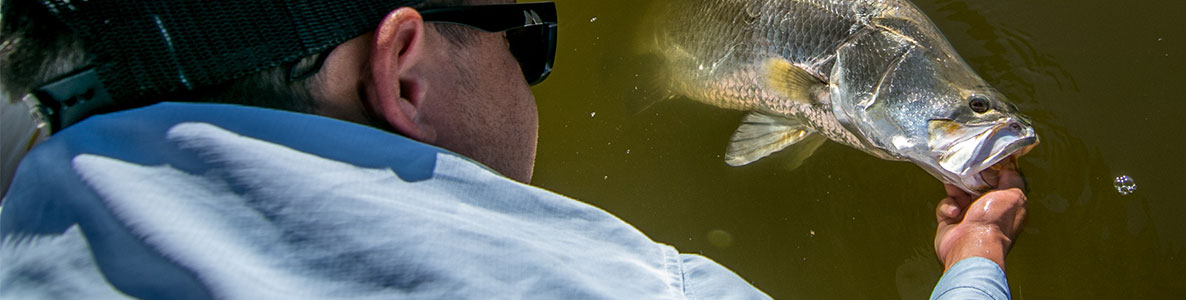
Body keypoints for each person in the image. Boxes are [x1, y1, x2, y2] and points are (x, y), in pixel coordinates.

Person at [0, 0, 1027, 299]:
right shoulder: (605, 288)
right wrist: (973, 269)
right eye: (524, 36)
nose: (534, 57)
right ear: (404, 71)